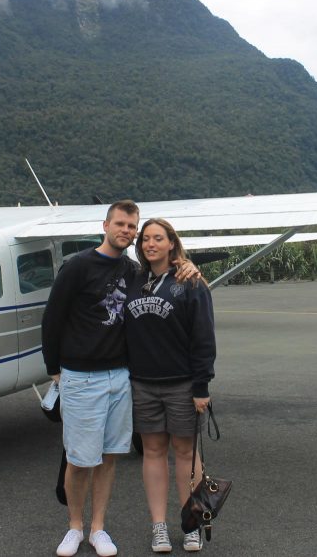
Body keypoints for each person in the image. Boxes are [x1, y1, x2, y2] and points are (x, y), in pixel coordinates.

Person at [42, 201, 198, 557]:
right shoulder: (77, 266)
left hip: (121, 376)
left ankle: (98, 528)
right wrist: (55, 368)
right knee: (79, 458)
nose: (127, 231)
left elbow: (165, 271)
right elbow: (52, 318)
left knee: (110, 457)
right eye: (122, 224)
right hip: (81, 376)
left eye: (133, 226)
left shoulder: (133, 271)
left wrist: (185, 265)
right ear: (106, 225)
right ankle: (74, 527)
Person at [125, 218, 216, 553]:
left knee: (186, 454)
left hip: (182, 384)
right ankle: (159, 527)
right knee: (152, 452)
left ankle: (191, 522)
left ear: (171, 243)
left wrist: (201, 386)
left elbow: (204, 337)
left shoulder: (191, 282)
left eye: (158, 238)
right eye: (146, 239)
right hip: (143, 383)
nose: (151, 244)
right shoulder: (132, 280)